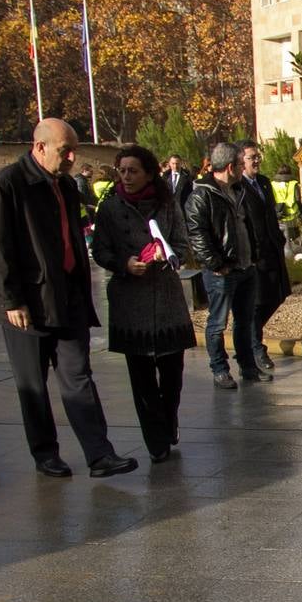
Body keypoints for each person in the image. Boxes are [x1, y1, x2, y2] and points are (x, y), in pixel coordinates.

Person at [0, 118, 138, 478]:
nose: (71, 157)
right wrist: (11, 300)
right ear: (39, 147)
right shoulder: (6, 185)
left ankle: (100, 455)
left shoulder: (64, 186)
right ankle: (45, 454)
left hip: (67, 298)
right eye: (65, 150)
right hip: (26, 305)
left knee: (78, 375)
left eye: (73, 150)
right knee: (32, 383)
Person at [91, 145, 196, 463]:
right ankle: (156, 441)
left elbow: (183, 242)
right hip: (130, 300)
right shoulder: (109, 208)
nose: (126, 176)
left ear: (149, 173)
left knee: (172, 373)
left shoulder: (167, 204)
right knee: (142, 379)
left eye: (133, 170)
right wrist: (125, 263)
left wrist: (168, 254)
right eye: (122, 171)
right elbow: (100, 250)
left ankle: (169, 419)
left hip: (165, 297)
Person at [186, 142, 269, 389]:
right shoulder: (201, 195)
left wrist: (254, 256)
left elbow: (247, 225)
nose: (245, 168)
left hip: (246, 267)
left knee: (245, 321)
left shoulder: (240, 190)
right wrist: (216, 264)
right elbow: (197, 234)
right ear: (231, 166)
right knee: (217, 323)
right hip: (221, 272)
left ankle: (248, 367)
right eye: (242, 163)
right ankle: (220, 369)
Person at [236, 140, 292, 371]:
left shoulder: (264, 183)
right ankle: (255, 348)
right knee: (256, 304)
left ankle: (251, 342)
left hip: (272, 250)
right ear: (240, 161)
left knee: (277, 296)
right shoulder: (238, 187)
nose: (257, 160)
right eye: (251, 157)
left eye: (258, 156)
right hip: (254, 255)